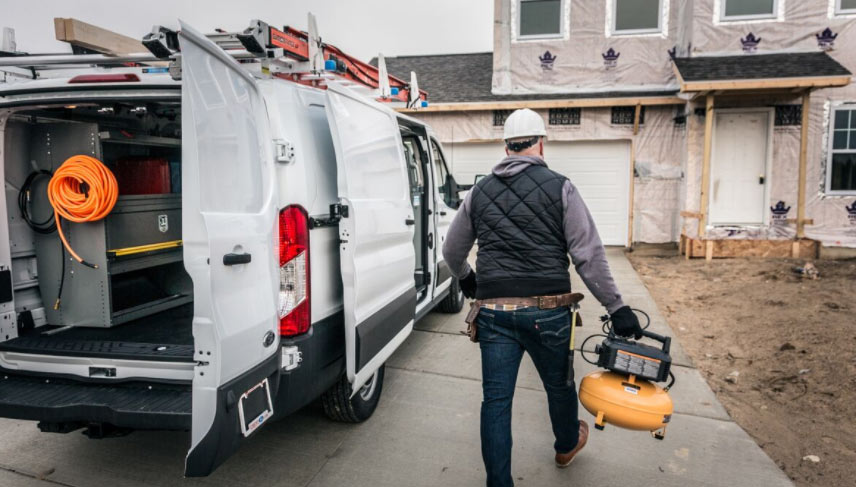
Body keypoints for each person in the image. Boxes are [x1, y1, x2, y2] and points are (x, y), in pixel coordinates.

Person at [442, 108, 642, 487]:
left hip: (494, 313)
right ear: (541, 143)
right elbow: (588, 255)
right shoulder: (560, 186)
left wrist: (468, 279)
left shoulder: (480, 190)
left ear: (506, 146)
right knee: (559, 385)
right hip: (550, 314)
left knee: (496, 402)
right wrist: (617, 307)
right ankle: (566, 445)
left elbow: (452, 252)